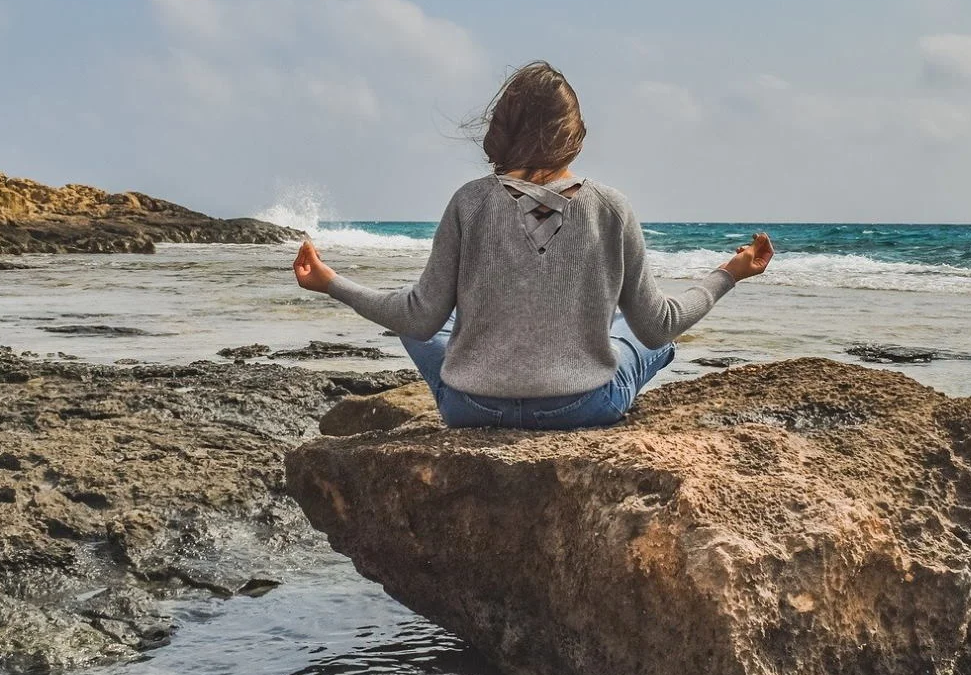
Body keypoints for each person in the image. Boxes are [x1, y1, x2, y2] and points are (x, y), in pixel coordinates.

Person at [291, 61, 773, 429]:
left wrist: (331, 282)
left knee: (420, 315)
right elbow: (659, 324)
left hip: (471, 408)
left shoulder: (469, 202)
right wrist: (729, 273)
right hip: (583, 407)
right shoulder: (611, 207)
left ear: (502, 127)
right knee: (640, 334)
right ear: (574, 133)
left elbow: (418, 318)